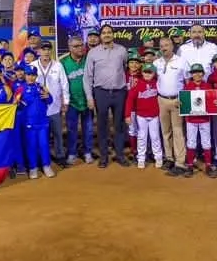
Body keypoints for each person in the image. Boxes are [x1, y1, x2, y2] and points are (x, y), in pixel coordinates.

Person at [82, 24, 130, 168]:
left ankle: (120, 155)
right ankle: (104, 157)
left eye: (109, 32)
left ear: (113, 35)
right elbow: (87, 77)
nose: (107, 35)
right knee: (102, 125)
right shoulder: (93, 53)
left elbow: (126, 68)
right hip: (100, 92)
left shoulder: (122, 50)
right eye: (104, 33)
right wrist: (90, 97)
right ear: (100, 36)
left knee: (119, 125)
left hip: (119, 92)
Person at [153, 37, 189, 175]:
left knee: (178, 131)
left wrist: (184, 99)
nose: (164, 48)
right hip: (161, 100)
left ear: (172, 46)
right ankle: (169, 158)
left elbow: (188, 81)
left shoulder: (181, 61)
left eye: (167, 45)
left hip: (176, 101)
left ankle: (180, 161)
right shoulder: (156, 63)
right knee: (165, 131)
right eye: (161, 46)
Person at [60, 37, 94, 165]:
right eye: (76, 46)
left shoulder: (89, 60)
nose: (80, 48)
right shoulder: (63, 62)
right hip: (72, 102)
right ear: (70, 48)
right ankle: (72, 152)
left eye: (81, 45)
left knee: (88, 129)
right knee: (71, 129)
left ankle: (87, 152)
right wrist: (64, 100)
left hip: (87, 101)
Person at [17, 65, 55, 179]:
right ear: (25, 75)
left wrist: (48, 96)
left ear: (36, 76)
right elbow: (15, 104)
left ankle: (46, 166)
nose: (31, 77)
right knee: (31, 146)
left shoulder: (41, 87)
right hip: (29, 123)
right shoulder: (20, 88)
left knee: (44, 145)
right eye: (28, 75)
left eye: (33, 75)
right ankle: (33, 168)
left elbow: (50, 100)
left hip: (42, 122)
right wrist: (17, 102)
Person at [34, 41, 69, 164]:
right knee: (41, 135)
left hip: (55, 107)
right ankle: (42, 158)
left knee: (57, 134)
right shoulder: (33, 66)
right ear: (39, 51)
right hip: (38, 108)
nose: (46, 52)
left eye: (48, 49)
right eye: (43, 49)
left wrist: (66, 101)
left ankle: (60, 156)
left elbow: (64, 84)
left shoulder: (58, 66)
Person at [125, 63, 164, 171]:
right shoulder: (138, 84)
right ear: (142, 73)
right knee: (142, 136)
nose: (147, 74)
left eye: (149, 72)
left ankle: (158, 157)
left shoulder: (157, 83)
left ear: (154, 73)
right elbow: (129, 100)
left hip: (154, 115)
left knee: (155, 137)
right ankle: (141, 158)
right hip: (141, 115)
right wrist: (127, 115)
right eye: (145, 72)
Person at [183, 63, 214, 177]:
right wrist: (180, 103)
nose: (197, 74)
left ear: (203, 73)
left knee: (206, 143)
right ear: (191, 74)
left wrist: (215, 103)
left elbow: (212, 102)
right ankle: (190, 166)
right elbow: (184, 102)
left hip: (204, 119)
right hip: (191, 119)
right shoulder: (187, 86)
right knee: (191, 143)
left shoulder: (208, 86)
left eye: (199, 72)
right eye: (195, 72)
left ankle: (208, 166)